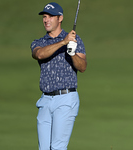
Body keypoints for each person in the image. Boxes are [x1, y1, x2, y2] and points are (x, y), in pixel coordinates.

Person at [30, 2, 87, 150]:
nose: (46, 20)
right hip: (45, 100)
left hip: (66, 99)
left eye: (50, 16)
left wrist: (72, 52)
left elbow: (82, 67)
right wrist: (63, 42)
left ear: (60, 18)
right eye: (44, 17)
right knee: (44, 148)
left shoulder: (75, 40)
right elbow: (40, 54)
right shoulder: (39, 42)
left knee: (57, 147)